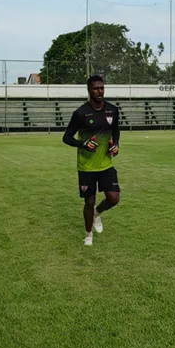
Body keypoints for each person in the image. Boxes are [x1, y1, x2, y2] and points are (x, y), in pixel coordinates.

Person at [62, 75, 121, 246]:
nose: (99, 91)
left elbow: (115, 131)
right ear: (88, 90)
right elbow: (66, 138)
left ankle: (97, 214)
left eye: (102, 88)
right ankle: (88, 234)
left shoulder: (112, 110)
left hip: (106, 163)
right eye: (95, 88)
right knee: (89, 201)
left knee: (114, 198)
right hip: (87, 166)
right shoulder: (80, 113)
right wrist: (83, 144)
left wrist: (115, 144)